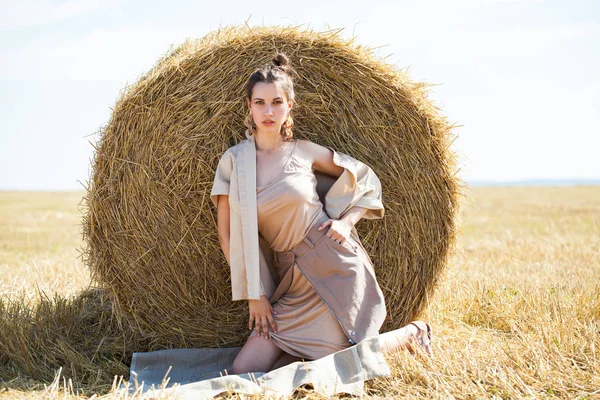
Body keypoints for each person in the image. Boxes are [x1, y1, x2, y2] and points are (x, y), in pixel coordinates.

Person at [210, 53, 433, 375]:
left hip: (335, 265)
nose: (268, 111)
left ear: (289, 106)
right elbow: (226, 233)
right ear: (249, 106)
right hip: (291, 279)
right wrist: (254, 296)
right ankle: (404, 337)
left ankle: (414, 333)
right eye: (260, 102)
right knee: (243, 369)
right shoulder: (233, 161)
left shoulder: (304, 152)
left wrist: (346, 221)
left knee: (332, 367)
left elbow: (365, 178)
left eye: (276, 102)